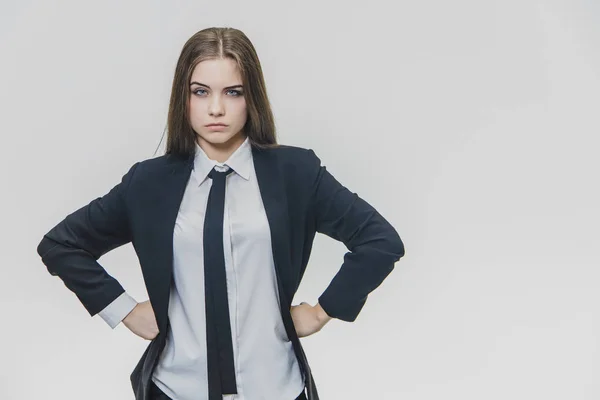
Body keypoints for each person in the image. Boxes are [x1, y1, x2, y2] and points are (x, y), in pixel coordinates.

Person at [36, 27, 405, 400]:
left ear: (252, 98)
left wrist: (322, 311)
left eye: (233, 92)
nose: (216, 108)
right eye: (201, 92)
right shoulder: (148, 183)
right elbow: (61, 245)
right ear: (184, 98)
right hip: (176, 389)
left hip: (275, 388)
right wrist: (124, 309)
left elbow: (380, 242)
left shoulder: (296, 172)